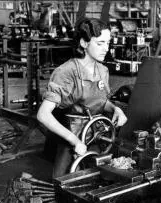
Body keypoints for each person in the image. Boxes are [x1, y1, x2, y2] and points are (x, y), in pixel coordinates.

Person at [37, 17, 127, 179]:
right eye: (100, 43)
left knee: (101, 180)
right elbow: (43, 115)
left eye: (108, 43)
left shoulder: (103, 70)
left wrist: (116, 109)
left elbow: (100, 101)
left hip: (96, 134)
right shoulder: (66, 72)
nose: (106, 49)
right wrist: (75, 141)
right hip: (71, 136)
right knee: (66, 184)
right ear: (84, 43)